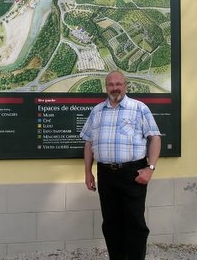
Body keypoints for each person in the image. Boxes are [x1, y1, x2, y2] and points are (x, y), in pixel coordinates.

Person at [80, 70, 161, 260]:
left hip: (132, 173)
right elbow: (88, 143)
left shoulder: (139, 108)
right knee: (111, 224)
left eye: (118, 84)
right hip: (106, 174)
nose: (115, 88)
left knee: (135, 224)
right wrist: (88, 173)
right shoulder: (97, 111)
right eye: (111, 84)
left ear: (125, 86)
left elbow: (155, 138)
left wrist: (150, 169)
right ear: (106, 87)